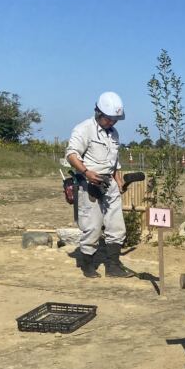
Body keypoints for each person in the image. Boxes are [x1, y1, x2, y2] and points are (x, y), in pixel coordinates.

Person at [65, 92, 133, 278]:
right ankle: (87, 264)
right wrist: (87, 173)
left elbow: (114, 161)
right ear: (99, 113)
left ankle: (113, 266)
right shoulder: (84, 129)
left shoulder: (114, 134)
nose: (113, 122)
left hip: (109, 183)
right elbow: (71, 155)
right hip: (89, 183)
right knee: (93, 226)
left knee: (116, 226)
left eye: (115, 119)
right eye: (110, 119)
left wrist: (118, 180)